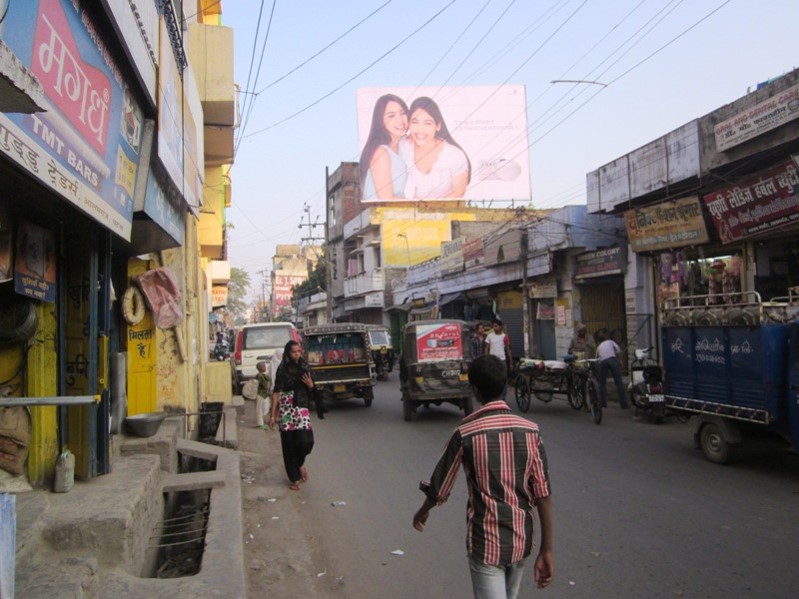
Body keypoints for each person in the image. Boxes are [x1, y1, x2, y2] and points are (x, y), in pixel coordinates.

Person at [412, 355, 554, 598]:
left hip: (486, 543)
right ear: (505, 385)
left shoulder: (465, 433)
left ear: (475, 390)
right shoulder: (531, 431)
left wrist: (423, 510)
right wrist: (547, 550)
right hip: (521, 542)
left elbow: (440, 489)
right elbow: (543, 494)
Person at [268, 341, 317, 491]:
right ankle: (294, 478)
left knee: (306, 441)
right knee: (289, 444)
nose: (297, 354)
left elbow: (314, 392)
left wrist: (310, 385)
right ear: (288, 353)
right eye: (294, 352)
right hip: (287, 409)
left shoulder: (305, 367)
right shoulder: (282, 369)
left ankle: (300, 463)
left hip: (301, 408)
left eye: (299, 351)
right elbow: (276, 392)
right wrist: (272, 415)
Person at [403, 97, 471, 199]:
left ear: (438, 126)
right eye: (415, 122)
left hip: (449, 211)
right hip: (414, 211)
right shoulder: (404, 146)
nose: (420, 129)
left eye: (427, 123)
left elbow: (458, 193)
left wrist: (429, 211)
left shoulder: (455, 155)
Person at [360, 94, 410, 200]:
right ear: (380, 120)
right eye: (391, 116)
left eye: (403, 113)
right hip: (382, 214)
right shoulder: (381, 152)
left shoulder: (401, 148)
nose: (400, 120)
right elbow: (386, 198)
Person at [595, 336, 629, 409]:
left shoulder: (598, 347)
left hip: (603, 362)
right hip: (612, 360)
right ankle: (624, 404)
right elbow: (619, 351)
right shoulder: (610, 341)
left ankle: (603, 403)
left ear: (598, 342)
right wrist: (620, 361)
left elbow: (597, 359)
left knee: (602, 383)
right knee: (619, 382)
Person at [254, 361, 271, 429]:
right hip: (260, 394)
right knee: (259, 409)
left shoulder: (262, 375)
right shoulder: (260, 376)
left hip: (263, 394)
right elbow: (265, 385)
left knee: (263, 408)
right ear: (260, 368)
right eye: (263, 366)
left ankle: (261, 423)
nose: (265, 367)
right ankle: (260, 424)